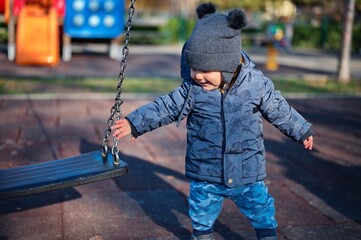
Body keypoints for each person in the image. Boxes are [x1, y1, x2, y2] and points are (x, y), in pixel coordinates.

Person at [111, 3, 314, 240]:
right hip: (205, 171)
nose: (198, 75)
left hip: (247, 171)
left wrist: (300, 130)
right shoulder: (192, 90)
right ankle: (203, 235)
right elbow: (164, 107)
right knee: (201, 212)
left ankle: (267, 235)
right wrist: (135, 123)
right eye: (194, 67)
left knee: (261, 209)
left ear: (227, 65)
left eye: (205, 69)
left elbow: (279, 109)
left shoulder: (256, 85)